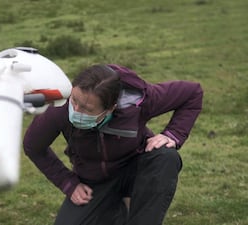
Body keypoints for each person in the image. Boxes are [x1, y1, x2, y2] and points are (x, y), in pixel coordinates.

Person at [23, 64, 203, 225]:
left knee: (165, 157)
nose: (76, 110)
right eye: (74, 100)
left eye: (87, 108)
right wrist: (68, 183)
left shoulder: (139, 101)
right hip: (94, 182)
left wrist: (173, 134)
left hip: (135, 169)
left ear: (110, 108)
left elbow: (192, 93)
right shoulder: (60, 108)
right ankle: (119, 211)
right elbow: (33, 146)